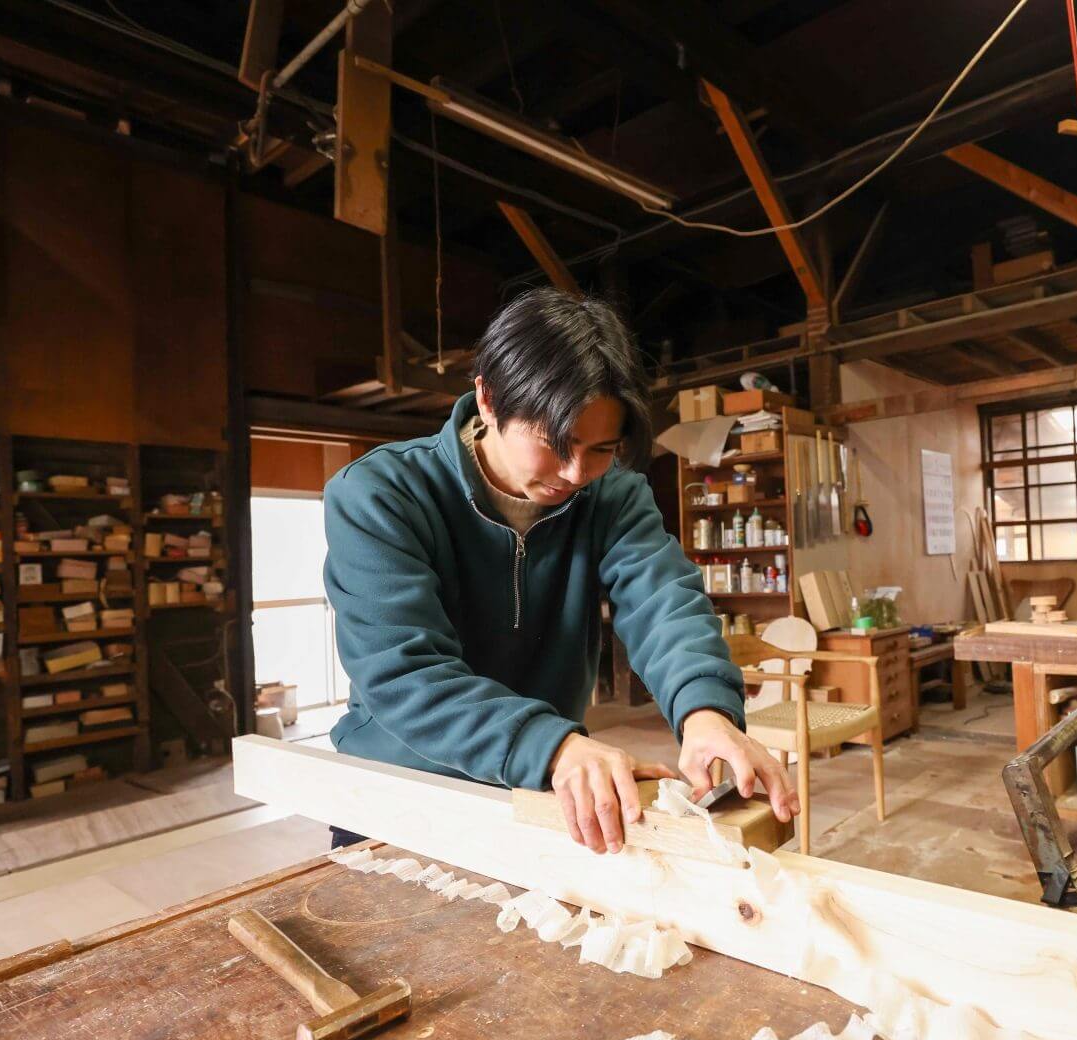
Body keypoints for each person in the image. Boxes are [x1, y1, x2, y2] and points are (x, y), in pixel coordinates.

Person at [321, 288, 797, 854]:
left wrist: (705, 710)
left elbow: (662, 601)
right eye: (555, 442)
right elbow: (403, 671)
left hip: (546, 789)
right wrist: (553, 746)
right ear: (489, 399)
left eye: (600, 449)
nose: (575, 473)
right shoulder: (380, 495)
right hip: (398, 789)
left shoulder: (614, 495)